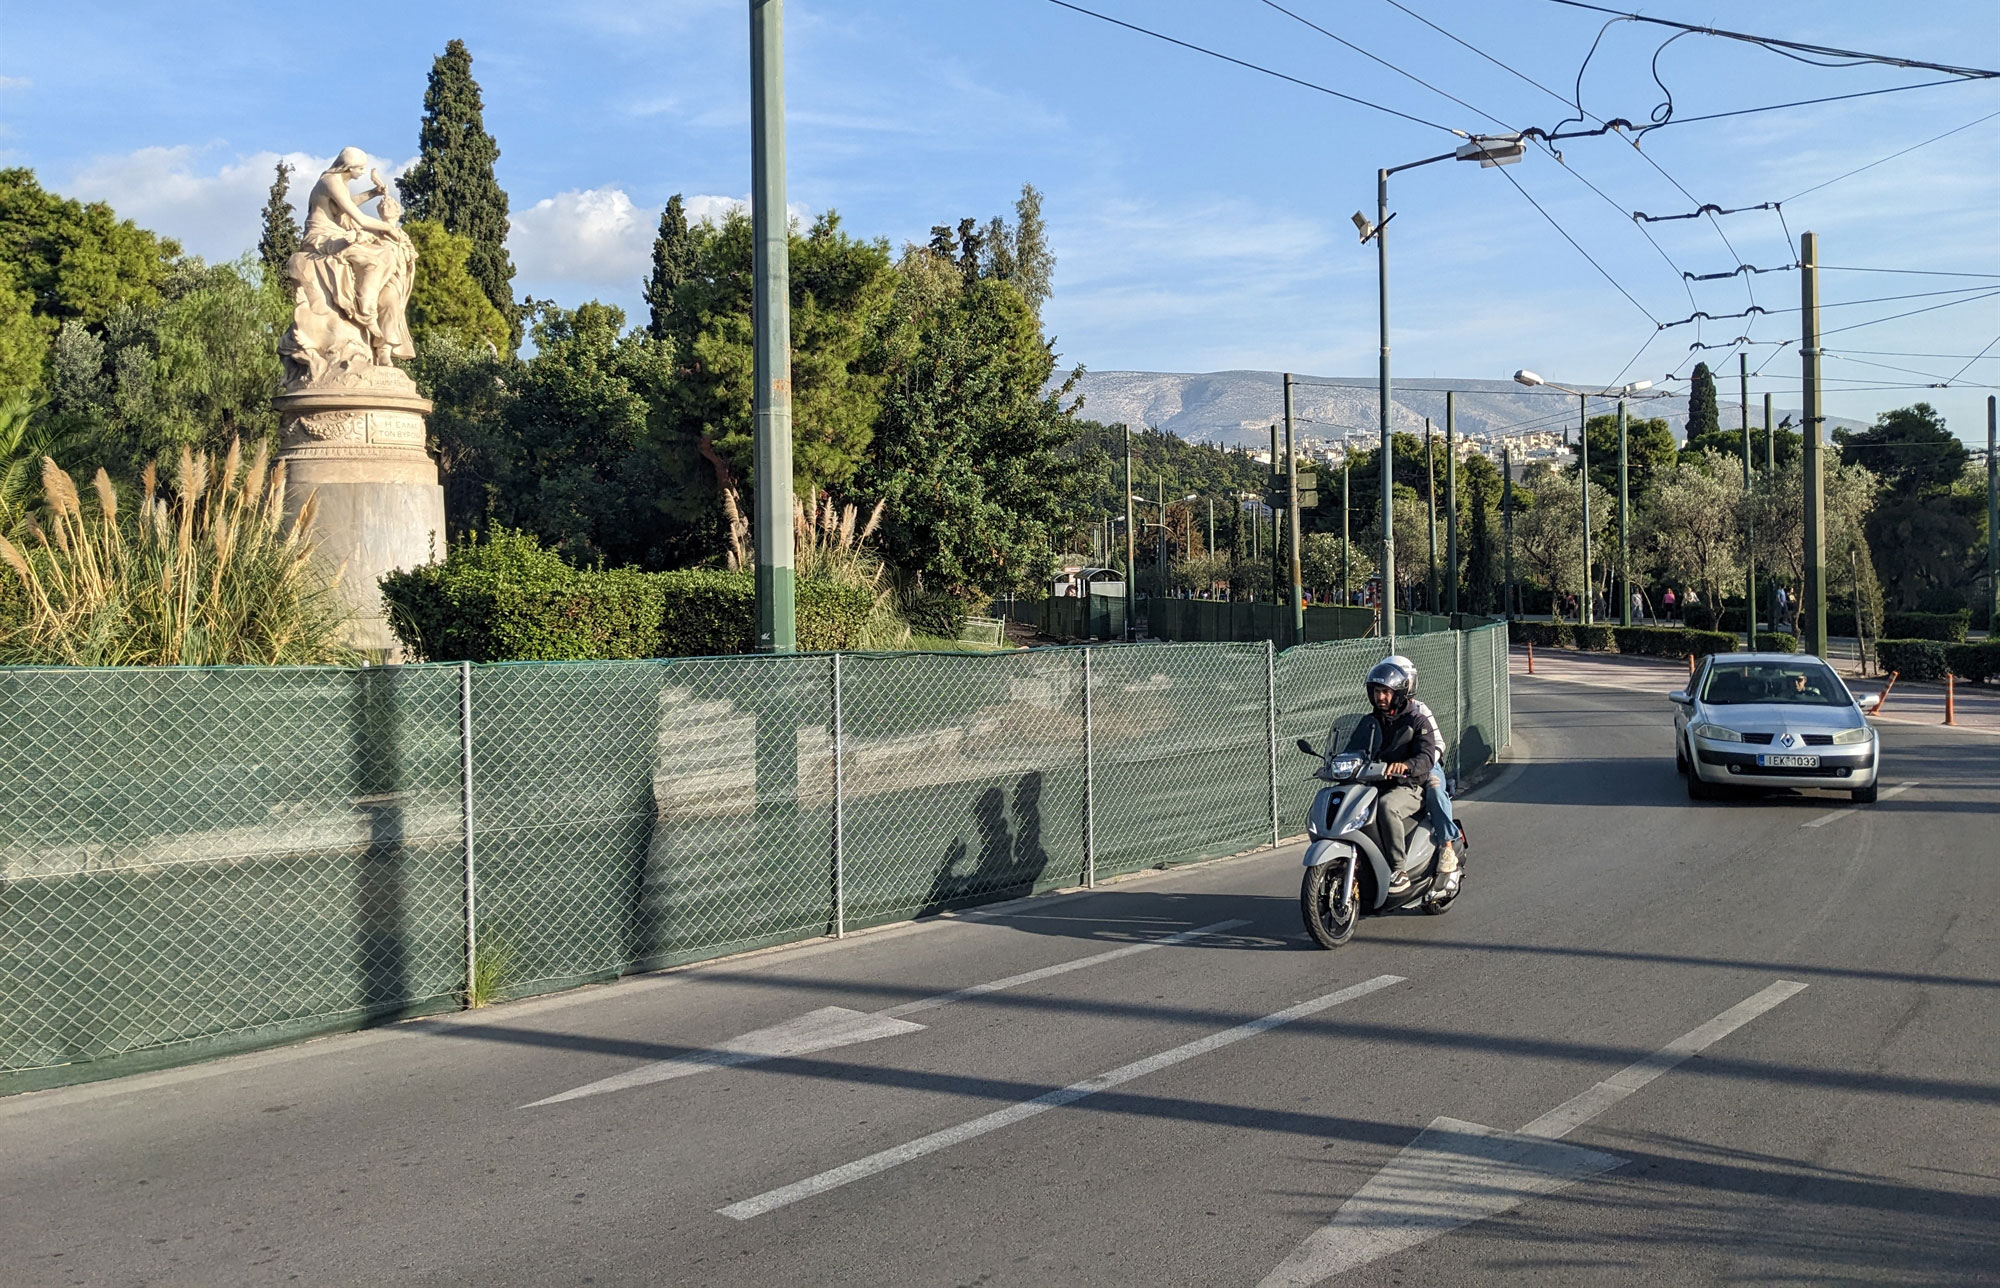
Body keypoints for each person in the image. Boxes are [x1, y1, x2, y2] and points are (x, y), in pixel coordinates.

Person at [1341, 656, 1451, 895]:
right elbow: (1354, 747)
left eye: (1385, 692)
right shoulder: (1370, 721)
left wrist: (1406, 766)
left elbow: (1427, 755)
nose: (1380, 697)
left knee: (1387, 806)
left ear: (1399, 691)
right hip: (1375, 781)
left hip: (1410, 784)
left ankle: (1400, 870)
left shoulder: (1417, 718)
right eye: (1376, 691)